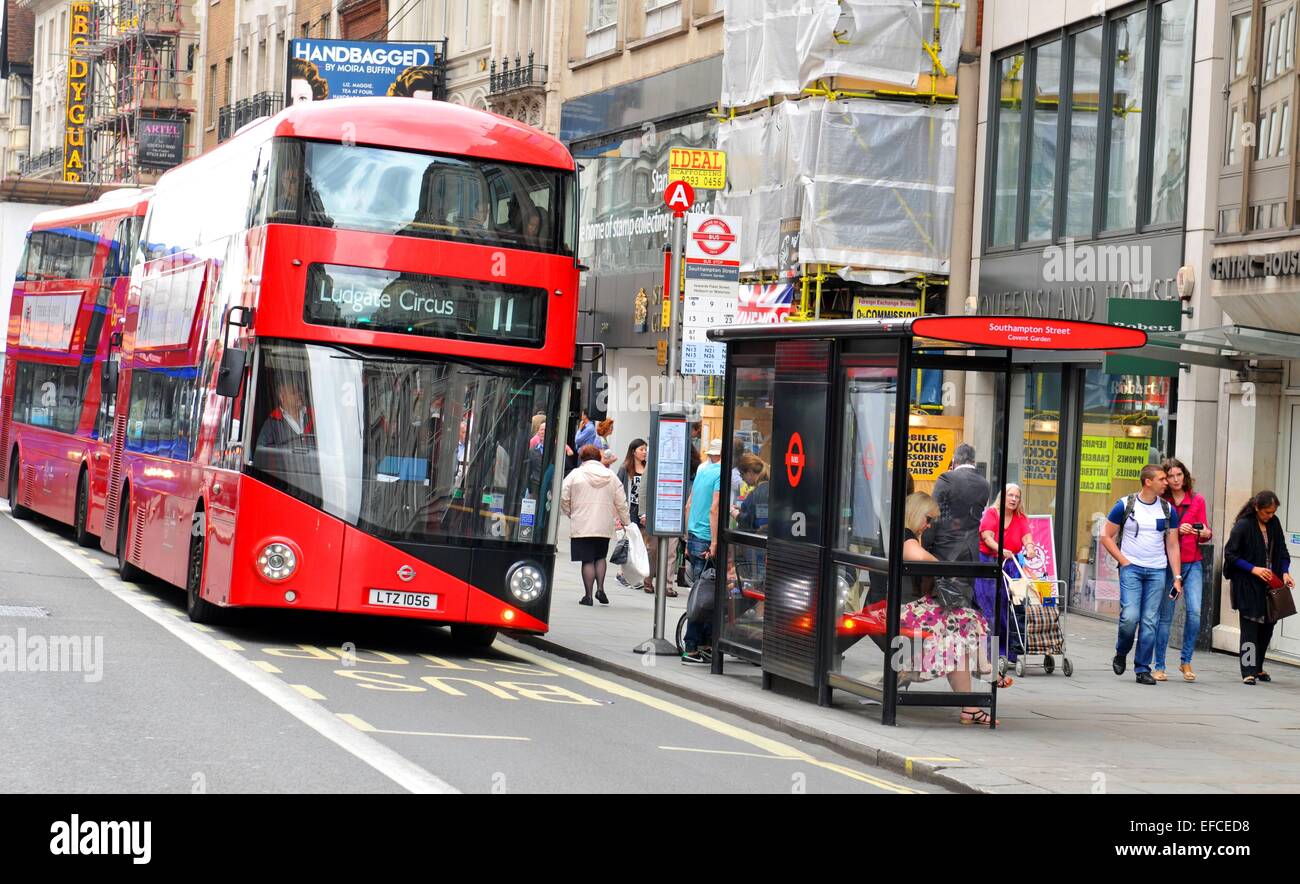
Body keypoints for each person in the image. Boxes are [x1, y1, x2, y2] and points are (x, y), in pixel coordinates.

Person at [898, 492, 1008, 726]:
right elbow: (918, 556)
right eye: (928, 519)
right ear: (916, 513)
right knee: (967, 620)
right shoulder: (906, 537)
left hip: (916, 607)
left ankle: (972, 703)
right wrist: (940, 565)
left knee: (962, 632)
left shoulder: (911, 535)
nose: (929, 525)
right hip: (906, 610)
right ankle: (986, 668)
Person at [1100, 463, 1183, 685]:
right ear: (1148, 482)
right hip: (1132, 569)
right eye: (1162, 479)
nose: (1167, 483)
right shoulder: (1125, 505)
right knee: (1130, 617)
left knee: (1149, 621)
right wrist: (1124, 561)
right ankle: (1121, 651)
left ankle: (1142, 668)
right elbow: (1106, 535)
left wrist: (1177, 577)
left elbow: (1173, 545)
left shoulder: (1167, 509)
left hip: (1157, 570)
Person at [1223, 491, 1293, 685]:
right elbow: (1230, 555)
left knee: (1268, 628)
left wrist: (1285, 572)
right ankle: (1248, 671)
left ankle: (1259, 666)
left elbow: (1283, 551)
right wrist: (1254, 569)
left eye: (1273, 512)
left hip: (1271, 585)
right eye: (1267, 512)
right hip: (1248, 585)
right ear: (1257, 508)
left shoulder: (1275, 523)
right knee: (1250, 629)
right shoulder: (1243, 526)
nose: (1270, 516)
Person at [1155, 458, 1211, 682]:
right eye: (1171, 476)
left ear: (1184, 476)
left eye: (1179, 475)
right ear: (1165, 479)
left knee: (1195, 613)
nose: (1175, 479)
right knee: (1166, 616)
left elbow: (1207, 532)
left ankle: (1185, 661)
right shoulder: (1161, 502)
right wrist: (1176, 530)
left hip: (1193, 563)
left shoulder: (1197, 500)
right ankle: (1159, 665)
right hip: (1169, 565)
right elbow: (1157, 532)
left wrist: (1198, 532)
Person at [560, 444, 630, 607]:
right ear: (599, 458)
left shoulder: (575, 475)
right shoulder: (611, 476)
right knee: (600, 556)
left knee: (587, 559)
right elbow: (621, 501)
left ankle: (588, 595)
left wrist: (570, 512)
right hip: (603, 523)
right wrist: (626, 522)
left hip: (582, 523)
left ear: (582, 458)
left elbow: (564, 496)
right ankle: (601, 588)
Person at [974, 483, 1035, 664]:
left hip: (1010, 564)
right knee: (990, 606)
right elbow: (987, 537)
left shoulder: (1020, 517)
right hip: (989, 561)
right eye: (1010, 495)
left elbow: (1026, 536)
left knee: (1013, 606)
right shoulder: (992, 514)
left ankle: (1011, 650)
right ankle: (988, 653)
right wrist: (1001, 549)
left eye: (1017, 496)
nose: (1014, 499)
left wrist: (1030, 548)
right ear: (1003, 496)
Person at [681, 438, 723, 664]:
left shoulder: (701, 468)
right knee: (705, 596)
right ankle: (692, 646)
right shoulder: (720, 472)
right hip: (708, 537)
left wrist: (688, 538)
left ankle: (704, 644)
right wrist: (715, 542)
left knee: (700, 591)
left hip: (695, 535)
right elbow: (715, 509)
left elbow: (689, 504)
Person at [615, 439, 666, 595]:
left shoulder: (648, 468)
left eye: (645, 449)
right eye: (641, 449)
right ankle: (622, 572)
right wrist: (617, 513)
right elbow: (618, 490)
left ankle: (637, 572)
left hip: (643, 509)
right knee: (628, 542)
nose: (644, 452)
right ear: (633, 451)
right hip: (629, 509)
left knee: (643, 544)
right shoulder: (625, 468)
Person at [927, 443, 990, 563]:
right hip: (971, 554)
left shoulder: (946, 478)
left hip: (945, 551)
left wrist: (925, 545)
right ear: (973, 461)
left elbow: (933, 514)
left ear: (954, 459)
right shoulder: (985, 484)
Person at [256, 379, 313, 448]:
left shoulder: (313, 415)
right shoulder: (272, 423)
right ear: (282, 397)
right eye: (294, 392)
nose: (299, 394)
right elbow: (262, 452)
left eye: (299, 391)